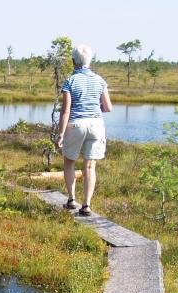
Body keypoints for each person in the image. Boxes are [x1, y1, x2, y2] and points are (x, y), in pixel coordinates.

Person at [55, 45, 113, 217]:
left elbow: (66, 111)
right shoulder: (100, 80)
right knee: (89, 165)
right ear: (90, 61)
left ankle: (72, 200)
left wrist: (60, 134)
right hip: (96, 125)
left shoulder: (70, 81)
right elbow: (108, 107)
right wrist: (94, 108)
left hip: (76, 125)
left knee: (69, 162)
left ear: (73, 61)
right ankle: (86, 205)